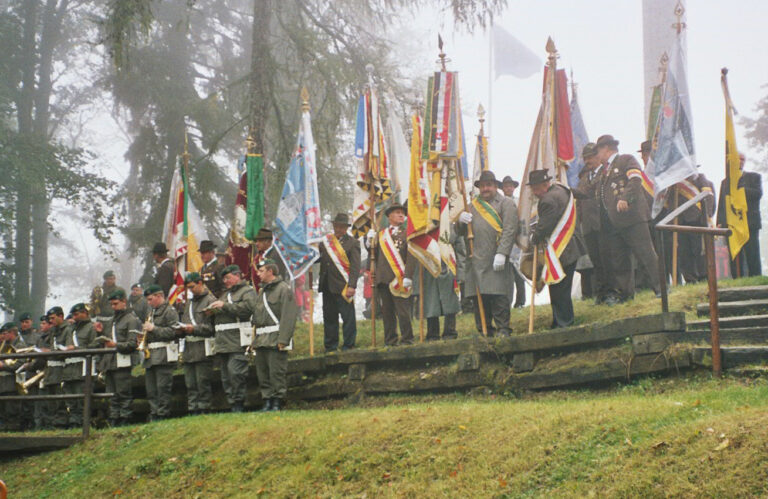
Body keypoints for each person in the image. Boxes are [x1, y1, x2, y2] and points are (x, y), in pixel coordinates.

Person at [576, 135, 660, 301]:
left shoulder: (625, 160)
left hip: (632, 218)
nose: (597, 155)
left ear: (606, 149)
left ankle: (660, 288)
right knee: (620, 261)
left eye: (598, 151)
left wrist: (625, 198)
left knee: (646, 254)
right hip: (613, 223)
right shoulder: (605, 172)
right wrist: (568, 190)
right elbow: (589, 191)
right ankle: (625, 293)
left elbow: (636, 179)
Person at [458, 170, 518, 336]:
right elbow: (461, 233)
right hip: (476, 260)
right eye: (483, 186)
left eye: (489, 185)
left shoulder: (506, 204)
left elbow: (510, 229)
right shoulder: (471, 206)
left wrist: (503, 253)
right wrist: (460, 222)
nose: (485, 189)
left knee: (499, 295)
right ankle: (484, 331)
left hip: (496, 258)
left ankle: (503, 329)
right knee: (480, 299)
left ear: (495, 186)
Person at [528, 170, 583, 327]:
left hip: (562, 249)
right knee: (561, 287)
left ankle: (564, 322)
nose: (535, 193)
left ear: (545, 185)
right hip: (571, 246)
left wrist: (533, 237)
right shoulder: (561, 190)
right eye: (533, 189)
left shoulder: (547, 201)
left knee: (559, 289)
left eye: (536, 188)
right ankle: (559, 320)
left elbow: (545, 226)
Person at [207, 264, 257, 412]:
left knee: (236, 373)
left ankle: (239, 403)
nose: (225, 281)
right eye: (224, 279)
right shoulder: (225, 294)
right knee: (226, 376)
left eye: (228, 278)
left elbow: (248, 309)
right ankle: (232, 403)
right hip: (223, 342)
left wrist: (224, 306)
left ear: (237, 275)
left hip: (237, 340)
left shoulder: (247, 292)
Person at [251, 259, 299, 411]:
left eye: (261, 270)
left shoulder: (284, 289)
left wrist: (283, 339)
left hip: (275, 337)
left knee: (276, 372)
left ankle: (277, 401)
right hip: (261, 339)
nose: (258, 274)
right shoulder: (261, 291)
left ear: (270, 271)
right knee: (263, 373)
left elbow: (288, 316)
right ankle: (267, 400)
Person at [367, 202, 416, 346]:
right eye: (397, 212)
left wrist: (408, 275)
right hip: (383, 279)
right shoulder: (381, 234)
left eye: (402, 213)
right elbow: (373, 254)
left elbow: (411, 256)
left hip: (399, 278)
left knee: (403, 312)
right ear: (389, 216)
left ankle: (407, 339)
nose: (401, 215)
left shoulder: (407, 233)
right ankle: (390, 340)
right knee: (387, 313)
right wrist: (368, 241)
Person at [412, 224, 466, 341]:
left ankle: (450, 332)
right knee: (431, 304)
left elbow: (461, 253)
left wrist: (461, 274)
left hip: (449, 268)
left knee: (450, 303)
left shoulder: (452, 228)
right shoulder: (423, 228)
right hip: (429, 270)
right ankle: (432, 334)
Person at [98, 289, 140, 427]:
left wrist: (115, 345)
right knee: (111, 393)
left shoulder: (131, 319)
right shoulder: (112, 320)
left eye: (116, 303)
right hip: (111, 362)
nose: (113, 307)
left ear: (124, 302)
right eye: (111, 304)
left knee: (123, 392)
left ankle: (125, 418)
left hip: (123, 361)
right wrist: (100, 332)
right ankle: (114, 417)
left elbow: (133, 343)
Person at [319, 213, 360, 352]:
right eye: (337, 226)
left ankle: (349, 344)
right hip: (327, 285)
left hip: (343, 286)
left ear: (346, 228)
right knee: (329, 317)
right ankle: (330, 345)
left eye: (342, 226)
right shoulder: (326, 242)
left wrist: (352, 286)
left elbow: (355, 267)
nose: (339, 229)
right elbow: (318, 258)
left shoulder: (353, 243)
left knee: (348, 317)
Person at [576, 143, 612, 303]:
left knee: (607, 260)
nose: (587, 161)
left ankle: (612, 291)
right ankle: (601, 293)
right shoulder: (583, 178)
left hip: (603, 224)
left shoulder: (606, 173)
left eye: (590, 157)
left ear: (598, 156)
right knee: (595, 261)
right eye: (585, 158)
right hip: (588, 226)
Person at [717, 152, 762, 277]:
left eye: (743, 159)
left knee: (752, 253)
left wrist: (740, 189)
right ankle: (737, 278)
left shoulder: (754, 177)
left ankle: (756, 277)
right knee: (735, 254)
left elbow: (757, 194)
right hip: (733, 223)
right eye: (738, 159)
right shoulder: (726, 182)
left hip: (750, 223)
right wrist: (720, 222)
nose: (741, 161)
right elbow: (722, 204)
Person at [140, 284, 180, 422]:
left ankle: (163, 414)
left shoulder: (170, 311)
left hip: (164, 354)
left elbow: (173, 332)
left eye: (151, 299)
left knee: (162, 387)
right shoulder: (151, 313)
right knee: (151, 389)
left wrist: (153, 329)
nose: (149, 302)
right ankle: (154, 412)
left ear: (159, 296)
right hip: (151, 355)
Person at [178, 272, 216, 415]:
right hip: (189, 349)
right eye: (188, 288)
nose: (190, 290)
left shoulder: (210, 300)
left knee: (202, 382)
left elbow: (211, 328)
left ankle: (204, 409)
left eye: (192, 287)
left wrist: (194, 329)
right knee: (190, 383)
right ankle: (193, 409)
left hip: (202, 348)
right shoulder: (189, 303)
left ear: (200, 283)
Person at [61, 303, 98, 429]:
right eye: (73, 315)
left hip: (83, 368)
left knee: (83, 399)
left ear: (85, 313)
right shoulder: (70, 329)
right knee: (71, 400)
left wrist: (75, 348)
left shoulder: (91, 328)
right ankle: (74, 423)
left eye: (77, 314)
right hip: (70, 369)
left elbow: (95, 346)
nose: (74, 317)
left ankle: (84, 425)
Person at [40, 306, 71, 428]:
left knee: (61, 400)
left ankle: (62, 424)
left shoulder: (68, 329)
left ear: (61, 316)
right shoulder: (52, 331)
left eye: (53, 318)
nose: (51, 321)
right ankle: (54, 424)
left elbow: (68, 348)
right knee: (51, 400)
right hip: (51, 370)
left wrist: (50, 351)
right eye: (49, 319)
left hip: (61, 369)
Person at [500, 175, 526, 308]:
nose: (509, 188)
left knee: (519, 273)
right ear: (502, 188)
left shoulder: (520, 202)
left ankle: (520, 302)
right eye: (506, 186)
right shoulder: (500, 203)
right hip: (505, 240)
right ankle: (507, 302)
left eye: (511, 186)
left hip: (518, 241)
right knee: (506, 275)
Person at [0, 322, 24, 431]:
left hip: (13, 382)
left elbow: (20, 363)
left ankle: (13, 430)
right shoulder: (3, 346)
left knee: (12, 410)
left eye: (5, 333)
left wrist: (3, 366)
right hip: (3, 382)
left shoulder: (20, 345)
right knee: (3, 410)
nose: (3, 336)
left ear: (12, 333)